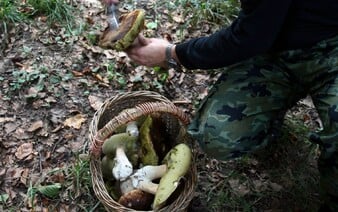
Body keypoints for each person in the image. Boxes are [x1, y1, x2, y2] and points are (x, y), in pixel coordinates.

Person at [102, 0, 338, 211]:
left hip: (331, 46)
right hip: (272, 50)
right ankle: (270, 120)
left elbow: (248, 38)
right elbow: (256, 33)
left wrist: (173, 55)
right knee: (217, 135)